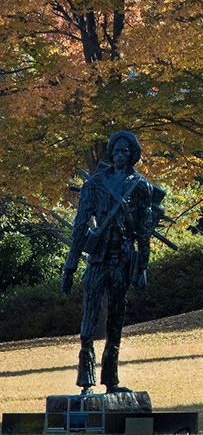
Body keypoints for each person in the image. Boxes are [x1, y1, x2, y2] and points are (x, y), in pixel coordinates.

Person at [60, 130, 155, 394]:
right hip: (98, 258)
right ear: (111, 154)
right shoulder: (95, 185)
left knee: (115, 322)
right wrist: (70, 267)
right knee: (87, 322)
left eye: (125, 152)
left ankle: (111, 381)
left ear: (132, 155)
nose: (120, 155)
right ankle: (86, 382)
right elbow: (80, 228)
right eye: (116, 151)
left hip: (123, 258)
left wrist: (142, 267)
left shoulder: (141, 187)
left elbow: (144, 231)